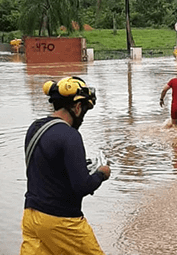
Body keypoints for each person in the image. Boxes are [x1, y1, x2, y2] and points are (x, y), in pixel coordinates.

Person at [20, 76, 111, 255]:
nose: (83, 118)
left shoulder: (35, 128)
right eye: (84, 111)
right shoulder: (70, 136)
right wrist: (101, 173)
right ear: (77, 108)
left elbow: (47, 166)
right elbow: (82, 186)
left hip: (31, 216)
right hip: (62, 221)